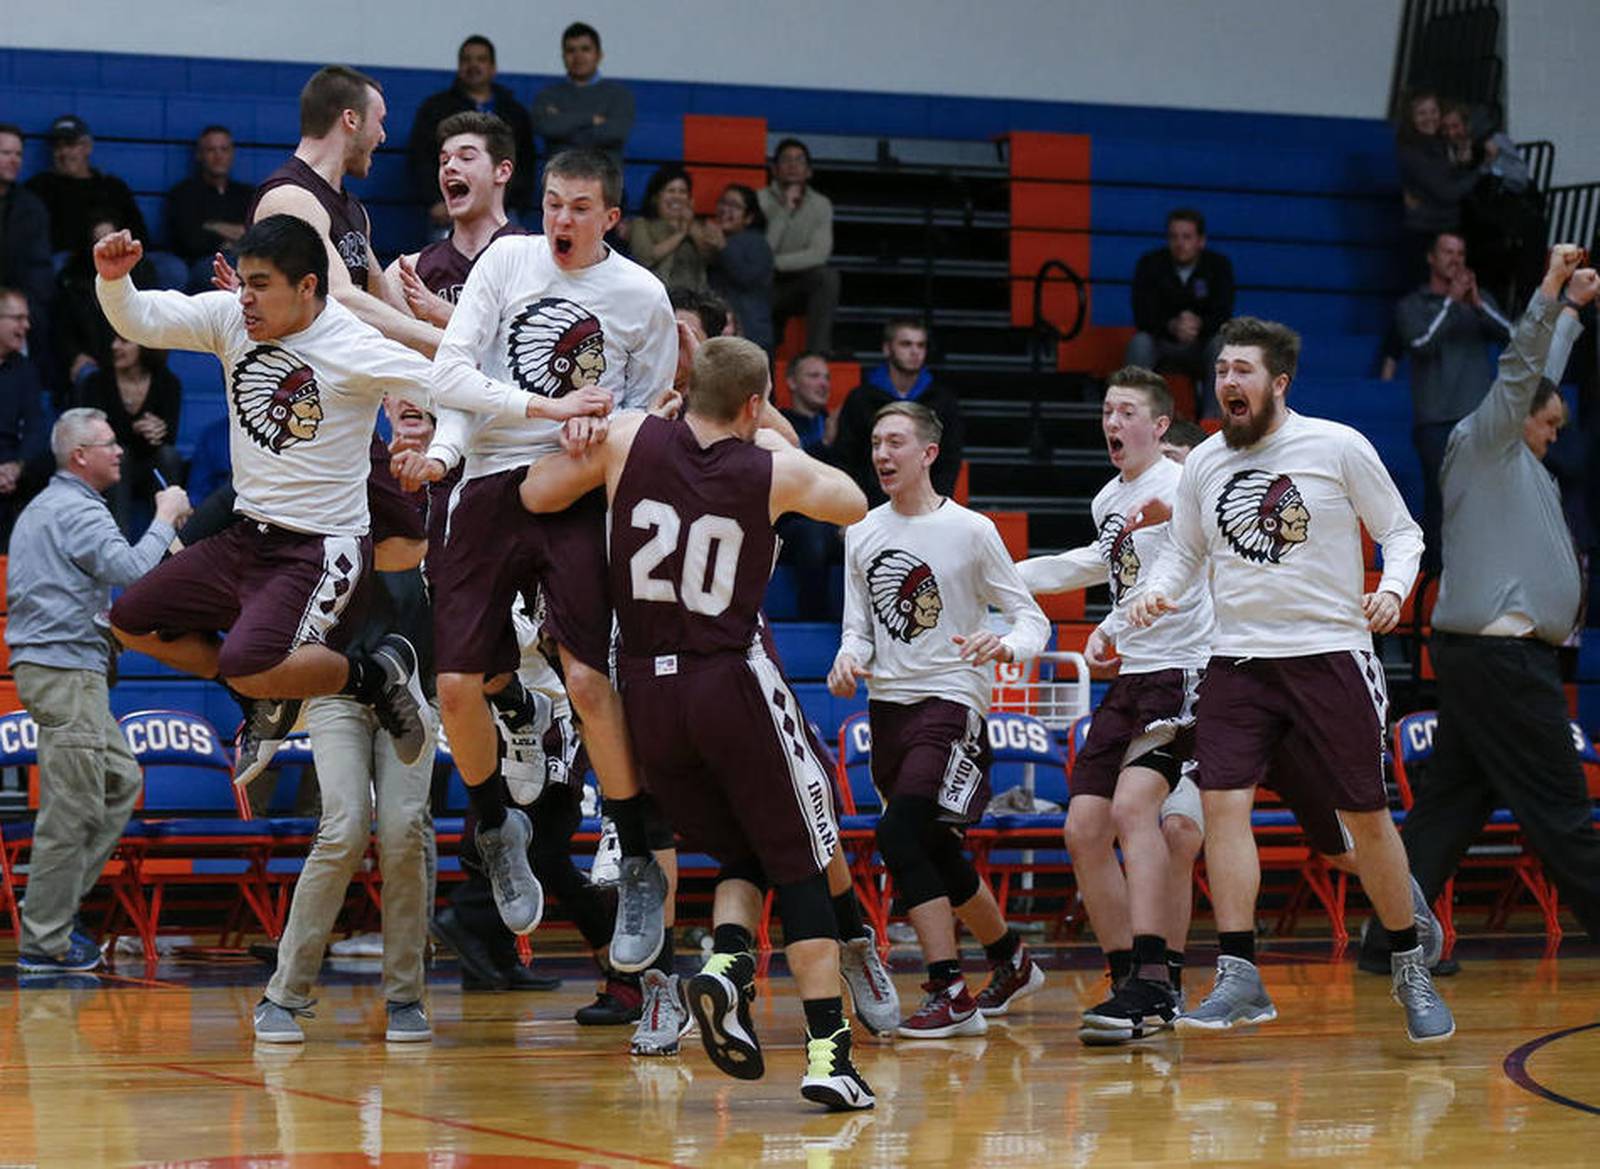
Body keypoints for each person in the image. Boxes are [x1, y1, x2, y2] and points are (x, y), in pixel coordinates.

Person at [521, 334, 878, 1110]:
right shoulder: (771, 466)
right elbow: (853, 501)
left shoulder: (626, 436)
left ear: (686, 389)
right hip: (730, 679)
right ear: (751, 404)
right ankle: (828, 1054)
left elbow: (536, 495)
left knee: (743, 850)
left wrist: (595, 437)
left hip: (645, 692)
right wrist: (770, 423)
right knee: (805, 863)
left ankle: (722, 969)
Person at [1129, 315, 1454, 1044]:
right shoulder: (1206, 462)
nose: (1227, 382)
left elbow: (1403, 532)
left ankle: (1409, 960)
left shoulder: (1336, 445)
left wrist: (1394, 590)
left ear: (1278, 383)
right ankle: (1240, 973)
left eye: (1242, 370)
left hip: (1331, 652)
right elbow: (1184, 554)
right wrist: (1159, 590)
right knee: (1221, 807)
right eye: (1220, 370)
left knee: (1364, 817)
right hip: (1238, 660)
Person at [408, 147, 674, 965]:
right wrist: (551, 404)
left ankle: (634, 859)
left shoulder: (642, 296)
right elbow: (450, 370)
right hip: (488, 476)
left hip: (574, 489)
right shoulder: (507, 259)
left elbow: (647, 412)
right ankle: (495, 828)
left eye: (580, 207)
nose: (562, 219)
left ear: (611, 218)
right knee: (455, 686)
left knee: (590, 679)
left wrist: (598, 425)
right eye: (554, 202)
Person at [91, 217, 441, 784]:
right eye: (242, 282)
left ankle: (375, 678)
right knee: (130, 621)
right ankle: (263, 696)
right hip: (251, 530)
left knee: (404, 551)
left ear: (305, 286)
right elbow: (146, 317)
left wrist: (440, 445)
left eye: (258, 284)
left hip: (318, 536)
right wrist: (115, 283)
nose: (243, 296)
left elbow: (446, 384)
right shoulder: (234, 316)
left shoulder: (348, 343)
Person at [1396, 245, 1600, 948]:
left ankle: (1390, 937)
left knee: (1450, 807)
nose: (1552, 435)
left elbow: (1539, 377)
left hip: (1489, 659)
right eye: (1546, 424)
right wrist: (1549, 292)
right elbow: (1522, 373)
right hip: (1503, 661)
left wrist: (1572, 314)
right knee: (1564, 810)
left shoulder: (1517, 457)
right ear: (1516, 417)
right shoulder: (1484, 442)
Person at [829, 401, 1051, 1038]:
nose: (882, 455)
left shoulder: (973, 531)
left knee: (899, 835)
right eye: (875, 442)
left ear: (928, 453)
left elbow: (1031, 617)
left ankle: (949, 991)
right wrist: (849, 658)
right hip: (888, 710)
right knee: (933, 845)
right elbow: (857, 627)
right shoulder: (863, 531)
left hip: (954, 702)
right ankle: (1011, 959)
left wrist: (1006, 645)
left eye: (895, 442)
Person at [1015, 367, 1211, 1044]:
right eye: (1106, 410)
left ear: (1159, 426)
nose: (1112, 422)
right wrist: (999, 573)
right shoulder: (1108, 499)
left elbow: (1175, 571)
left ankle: (1157, 981)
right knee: (1083, 828)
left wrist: (1112, 626)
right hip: (1130, 678)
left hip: (1184, 669)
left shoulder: (1187, 483)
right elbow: (1096, 567)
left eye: (1127, 411)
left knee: (1137, 811)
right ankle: (1129, 974)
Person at [3, 407, 192, 972]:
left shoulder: (53, 506)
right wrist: (164, 517)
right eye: (108, 444)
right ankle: (45, 939)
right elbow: (132, 571)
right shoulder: (78, 510)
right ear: (79, 456)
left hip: (63, 669)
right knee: (72, 806)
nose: (119, 451)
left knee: (118, 781)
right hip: (65, 672)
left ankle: (49, 909)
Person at [252, 563, 438, 1044]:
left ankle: (405, 996)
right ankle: (283, 993)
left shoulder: (437, 508)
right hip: (339, 690)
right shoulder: (335, 507)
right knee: (343, 829)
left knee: (403, 830)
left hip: (414, 690)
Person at [247, 65, 439, 356]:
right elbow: (339, 298)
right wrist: (447, 346)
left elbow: (386, 306)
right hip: (291, 392)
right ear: (351, 119)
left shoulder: (354, 210)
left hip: (341, 389)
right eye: (380, 121)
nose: (383, 136)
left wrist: (446, 341)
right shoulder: (289, 198)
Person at [1395, 231, 1511, 571]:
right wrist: (1449, 303)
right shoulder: (1412, 304)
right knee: (1441, 501)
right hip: (1435, 420)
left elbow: (1517, 337)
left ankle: (1479, 574)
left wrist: (1478, 305)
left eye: (1460, 252)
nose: (1455, 259)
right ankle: (1435, 583)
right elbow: (1420, 343)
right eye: (1447, 252)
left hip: (1478, 418)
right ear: (1431, 257)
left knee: (1483, 499)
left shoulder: (1479, 300)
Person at [406, 36, 537, 232]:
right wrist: (434, 201)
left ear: (493, 67)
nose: (473, 65)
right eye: (466, 59)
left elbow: (526, 160)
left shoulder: (513, 112)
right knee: (447, 263)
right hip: (450, 211)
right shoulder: (435, 108)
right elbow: (420, 158)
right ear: (459, 66)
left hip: (504, 210)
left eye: (481, 59)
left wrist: (516, 201)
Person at [833, 319, 964, 506]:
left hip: (925, 506)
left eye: (921, 345)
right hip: (868, 508)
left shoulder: (944, 401)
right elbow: (846, 459)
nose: (915, 351)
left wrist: (936, 506)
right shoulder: (861, 398)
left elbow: (949, 460)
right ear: (887, 348)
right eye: (906, 344)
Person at [72, 333, 184, 535]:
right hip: (109, 467)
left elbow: (170, 438)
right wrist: (135, 428)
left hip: (151, 465)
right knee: (119, 455)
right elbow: (91, 437)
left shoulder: (168, 383)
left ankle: (168, 540)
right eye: (113, 339)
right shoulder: (96, 382)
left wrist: (157, 432)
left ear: (145, 345)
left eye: (123, 341)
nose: (115, 346)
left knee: (169, 456)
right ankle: (117, 540)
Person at [1125, 209, 1235, 411]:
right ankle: (1134, 414)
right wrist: (1172, 325)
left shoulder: (1219, 266)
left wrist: (1199, 324)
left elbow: (1224, 313)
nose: (1180, 243)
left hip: (1202, 345)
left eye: (1186, 237)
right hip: (1162, 343)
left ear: (1201, 241)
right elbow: (1142, 314)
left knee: (1222, 346)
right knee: (1139, 343)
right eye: (1174, 237)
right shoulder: (1150, 264)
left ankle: (1213, 424)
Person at [758, 138, 838, 355]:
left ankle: (816, 355)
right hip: (764, 284)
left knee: (827, 277)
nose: (793, 165)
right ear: (775, 169)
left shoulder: (821, 204)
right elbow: (760, 253)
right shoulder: (759, 201)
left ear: (809, 171)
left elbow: (819, 254)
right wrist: (783, 211)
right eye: (786, 160)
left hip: (799, 283)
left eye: (799, 160)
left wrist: (775, 263)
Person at [26, 115, 148, 255]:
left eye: (70, 144)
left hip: (117, 258)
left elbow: (140, 235)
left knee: (170, 268)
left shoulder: (112, 187)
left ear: (88, 147)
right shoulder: (39, 187)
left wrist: (113, 233)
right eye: (58, 146)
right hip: (66, 261)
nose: (64, 152)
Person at [531, 22, 634, 168]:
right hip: (560, 182)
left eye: (585, 49)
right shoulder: (547, 95)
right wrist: (591, 119)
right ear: (563, 56)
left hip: (606, 184)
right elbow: (546, 128)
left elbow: (615, 134)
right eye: (570, 50)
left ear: (599, 55)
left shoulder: (620, 96)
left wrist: (563, 126)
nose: (578, 56)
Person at [165, 126, 254, 291]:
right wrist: (235, 237)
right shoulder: (183, 193)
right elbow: (190, 241)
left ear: (232, 154)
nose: (218, 156)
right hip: (202, 264)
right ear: (200, 155)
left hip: (246, 261)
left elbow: (257, 234)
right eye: (211, 150)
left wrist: (212, 226)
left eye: (224, 149)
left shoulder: (247, 194)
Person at [0, 287, 50, 545]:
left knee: (45, 463)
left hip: (12, 468)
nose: (26, 325)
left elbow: (35, 427)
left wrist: (16, 467)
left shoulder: (25, 369)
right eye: (18, 318)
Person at [706, 183, 774, 353]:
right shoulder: (710, 241)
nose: (726, 210)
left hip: (753, 334)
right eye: (723, 203)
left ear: (749, 217)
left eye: (735, 206)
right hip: (723, 333)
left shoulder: (756, 242)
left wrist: (723, 248)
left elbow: (748, 278)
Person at [0, 124, 54, 321]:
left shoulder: (31, 207)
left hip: (16, 304)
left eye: (18, 154)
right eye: (6, 153)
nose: (14, 160)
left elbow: (39, 268)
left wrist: (17, 305)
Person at [627, 166, 711, 291]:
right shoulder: (642, 224)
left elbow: (709, 257)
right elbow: (645, 258)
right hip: (658, 297)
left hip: (695, 298)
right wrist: (680, 234)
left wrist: (690, 226)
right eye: (671, 191)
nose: (677, 196)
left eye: (682, 192)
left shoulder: (696, 226)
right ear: (656, 197)